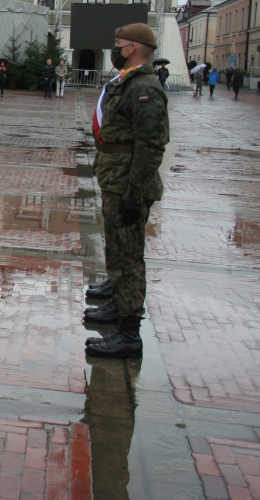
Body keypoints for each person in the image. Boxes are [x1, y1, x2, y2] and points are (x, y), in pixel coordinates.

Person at [84, 23, 169, 359]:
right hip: (117, 181)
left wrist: (136, 193)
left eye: (119, 44)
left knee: (129, 258)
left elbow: (151, 145)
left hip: (128, 186)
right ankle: (121, 309)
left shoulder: (145, 88)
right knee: (119, 252)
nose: (116, 49)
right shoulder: (130, 83)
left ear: (133, 47)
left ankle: (129, 333)